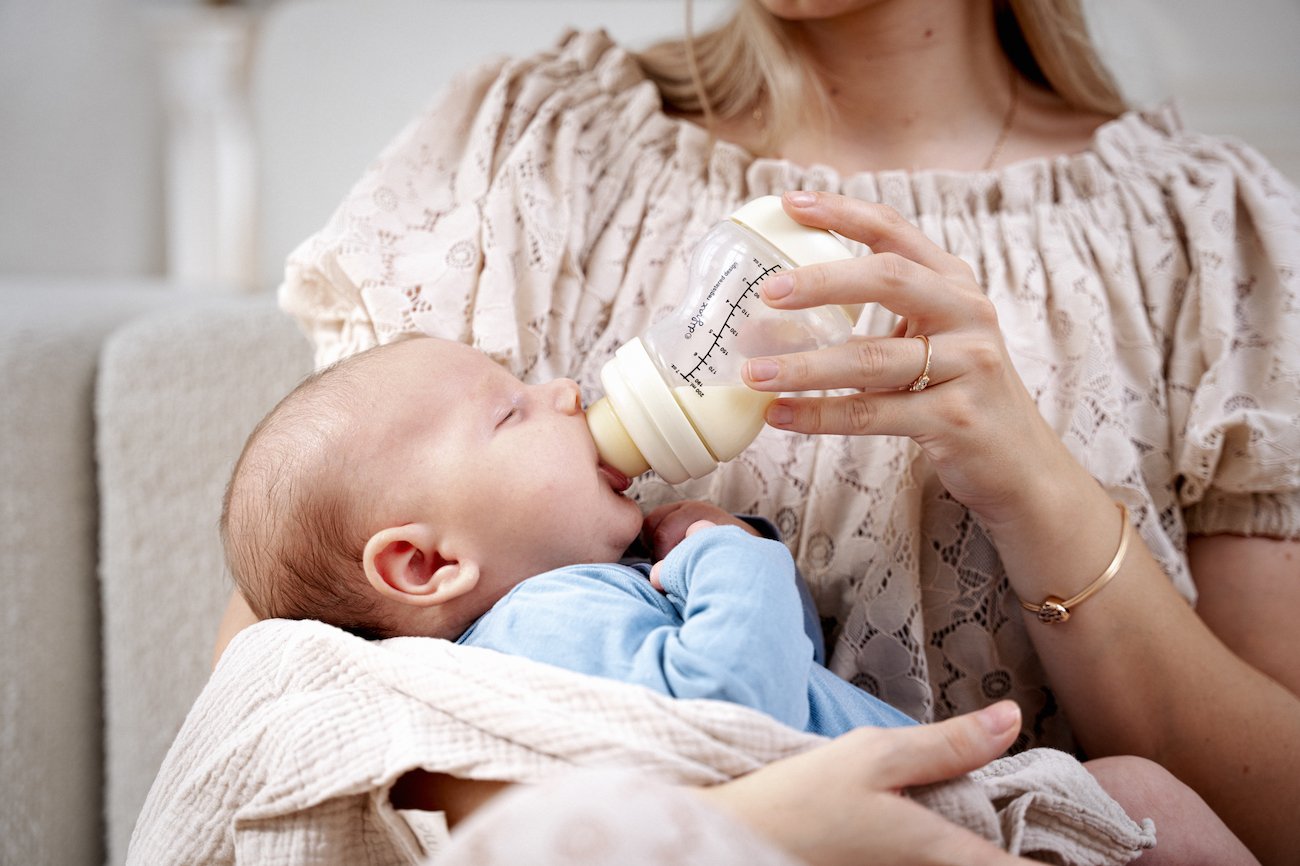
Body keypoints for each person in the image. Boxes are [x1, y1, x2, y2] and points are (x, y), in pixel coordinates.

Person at [220, 0, 1300, 861]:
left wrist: (1039, 491)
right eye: (511, 398)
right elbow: (273, 734)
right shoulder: (522, 157)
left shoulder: (1205, 237)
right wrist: (728, 835)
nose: (557, 393)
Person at [221, 335, 1256, 865]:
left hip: (866, 800)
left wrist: (724, 555)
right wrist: (728, 557)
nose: (567, 395)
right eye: (509, 410)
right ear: (422, 565)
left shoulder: (589, 601)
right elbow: (731, 702)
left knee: (1138, 791)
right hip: (881, 814)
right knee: (1148, 802)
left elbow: (782, 665)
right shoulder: (537, 628)